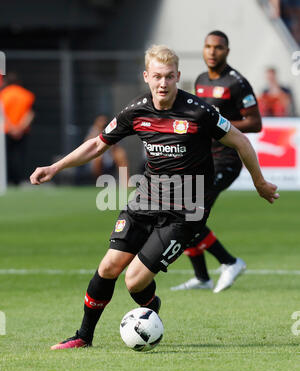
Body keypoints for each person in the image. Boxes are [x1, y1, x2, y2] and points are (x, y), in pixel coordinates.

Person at [30, 45, 279, 350]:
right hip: (145, 200)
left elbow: (240, 140)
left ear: (178, 77)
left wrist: (260, 183)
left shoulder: (198, 111)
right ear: (146, 76)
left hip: (185, 210)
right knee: (109, 267)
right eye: (157, 76)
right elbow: (97, 145)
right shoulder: (136, 110)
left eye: (169, 77)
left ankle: (150, 311)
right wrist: (55, 167)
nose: (163, 83)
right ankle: (83, 336)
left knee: (134, 281)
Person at [171, 31, 262, 293]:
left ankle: (230, 262)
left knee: (190, 214)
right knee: (183, 210)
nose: (212, 52)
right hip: (202, 157)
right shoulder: (200, 80)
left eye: (218, 47)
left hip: (228, 159)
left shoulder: (237, 83)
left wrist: (218, 125)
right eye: (208, 46)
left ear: (227, 51)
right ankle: (202, 278)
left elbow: (255, 122)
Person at [0, 72, 35, 185]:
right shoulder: (27, 95)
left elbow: (2, 113)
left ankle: (6, 179)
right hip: (22, 132)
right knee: (20, 157)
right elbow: (30, 114)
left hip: (5, 131)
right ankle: (18, 181)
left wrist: (11, 127)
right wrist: (19, 128)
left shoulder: (3, 94)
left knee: (5, 157)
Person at [77, 114, 129, 186]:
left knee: (120, 154)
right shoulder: (93, 131)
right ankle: (99, 183)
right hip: (96, 159)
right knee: (98, 158)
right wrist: (97, 132)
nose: (103, 123)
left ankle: (125, 183)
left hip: (110, 158)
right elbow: (86, 146)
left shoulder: (112, 130)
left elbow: (117, 146)